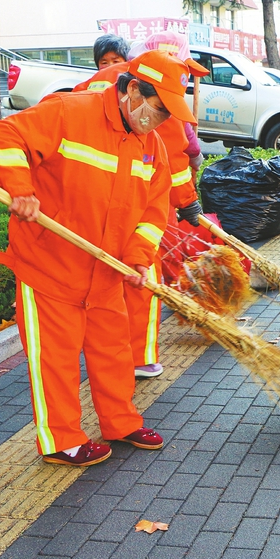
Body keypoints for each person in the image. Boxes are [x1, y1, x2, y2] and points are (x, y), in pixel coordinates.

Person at [0, 50, 195, 466]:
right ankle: (62, 440)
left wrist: (139, 257)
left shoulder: (149, 145)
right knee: (56, 358)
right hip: (49, 264)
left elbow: (154, 210)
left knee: (114, 351)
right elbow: (9, 134)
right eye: (157, 111)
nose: (159, 122)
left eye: (166, 117)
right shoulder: (69, 111)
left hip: (105, 269)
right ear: (132, 91)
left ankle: (120, 421)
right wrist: (20, 187)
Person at [73, 32, 209, 380]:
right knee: (140, 275)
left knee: (102, 278)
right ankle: (140, 356)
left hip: (89, 198)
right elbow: (174, 159)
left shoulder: (96, 83)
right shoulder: (158, 88)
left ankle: (98, 350)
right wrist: (188, 203)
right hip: (135, 194)